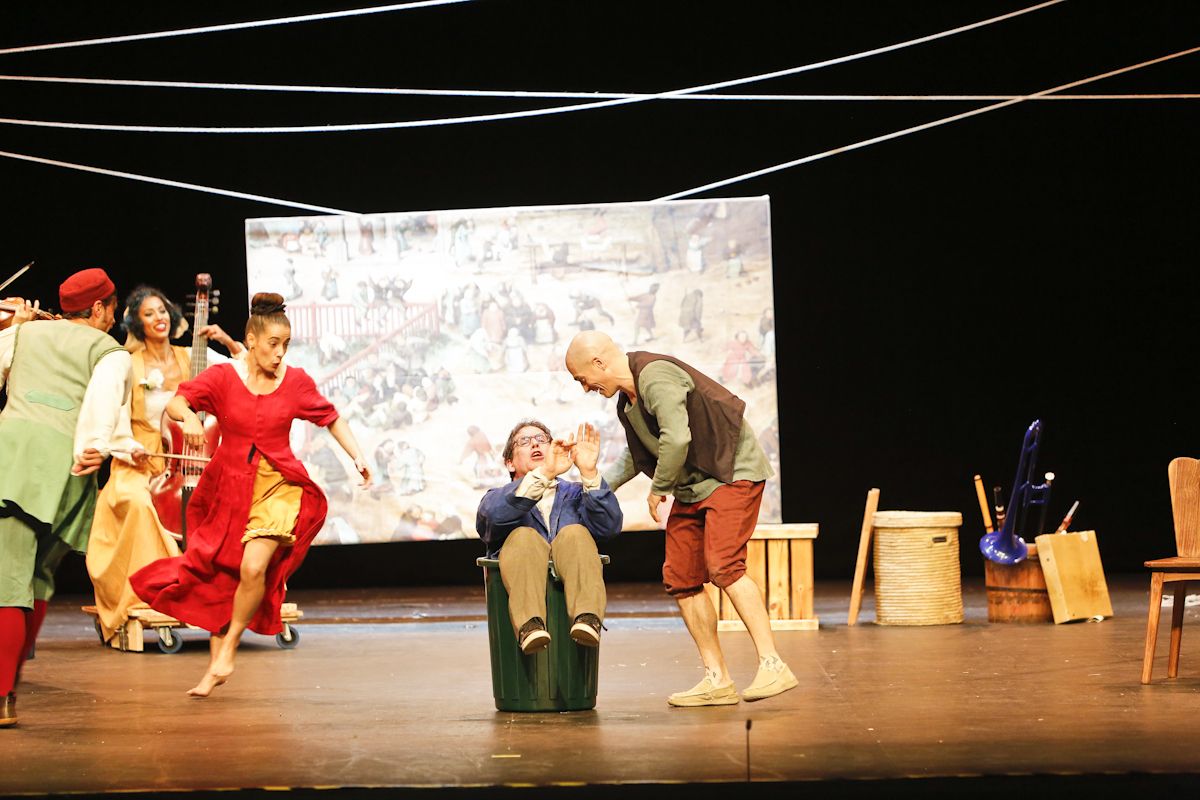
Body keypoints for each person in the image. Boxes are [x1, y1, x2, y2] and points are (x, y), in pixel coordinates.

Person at [130, 293, 371, 698]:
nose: (280, 354)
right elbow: (177, 402)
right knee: (220, 575)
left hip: (279, 486)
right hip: (229, 487)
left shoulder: (295, 382)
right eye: (273, 344)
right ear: (252, 340)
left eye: (286, 345)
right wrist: (189, 418)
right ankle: (215, 664)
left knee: (253, 569)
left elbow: (331, 418)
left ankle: (227, 651)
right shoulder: (224, 378)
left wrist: (357, 455)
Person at [564, 331, 795, 707]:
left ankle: (773, 663)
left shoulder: (655, 376)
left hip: (730, 471)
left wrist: (659, 489)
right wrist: (592, 480)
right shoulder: (627, 403)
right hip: (693, 484)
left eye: (582, 378)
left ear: (599, 364)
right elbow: (639, 455)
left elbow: (676, 439)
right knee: (681, 576)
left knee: (724, 565)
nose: (585, 387)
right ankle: (717, 678)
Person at [0, 269, 135, 728]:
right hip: (68, 467)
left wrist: (13, 330)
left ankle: (4, 696)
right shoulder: (111, 353)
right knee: (37, 579)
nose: (113, 321)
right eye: (112, 310)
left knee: (9, 582)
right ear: (97, 309)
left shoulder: (25, 334)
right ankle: (11, 674)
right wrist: (95, 447)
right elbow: (103, 405)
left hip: (14, 461)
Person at [85, 286, 244, 649]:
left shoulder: (193, 355)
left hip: (194, 460)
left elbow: (243, 374)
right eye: (148, 314)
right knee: (138, 503)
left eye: (162, 311)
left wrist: (230, 343)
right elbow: (116, 415)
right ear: (136, 323)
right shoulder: (127, 362)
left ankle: (226, 592)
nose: (158, 318)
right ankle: (155, 594)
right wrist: (129, 450)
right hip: (141, 462)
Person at [476, 419, 622, 653]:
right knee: (524, 536)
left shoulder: (576, 494)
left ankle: (587, 617)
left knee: (575, 533)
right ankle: (530, 625)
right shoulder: (497, 497)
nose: (535, 444)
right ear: (510, 463)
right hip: (519, 611)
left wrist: (589, 472)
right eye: (524, 441)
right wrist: (544, 474)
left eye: (542, 439)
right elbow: (492, 520)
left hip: (576, 609)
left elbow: (609, 527)